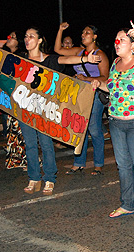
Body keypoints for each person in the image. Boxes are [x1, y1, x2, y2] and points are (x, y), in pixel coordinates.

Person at [91, 21, 134, 226]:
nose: (117, 42)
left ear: (133, 45)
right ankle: (127, 204)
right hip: (116, 121)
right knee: (123, 166)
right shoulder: (115, 64)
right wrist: (99, 84)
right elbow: (113, 87)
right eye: (116, 40)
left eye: (122, 40)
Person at [21, 27, 101, 195]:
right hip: (25, 108)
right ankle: (34, 177)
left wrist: (86, 58)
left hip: (44, 110)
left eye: (31, 36)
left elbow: (67, 60)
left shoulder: (49, 60)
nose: (27, 39)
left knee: (46, 144)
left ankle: (49, 178)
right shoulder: (19, 59)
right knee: (29, 145)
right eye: (26, 36)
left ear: (40, 40)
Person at [54, 22, 109, 176]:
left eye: (88, 32)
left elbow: (106, 77)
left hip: (94, 94)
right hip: (79, 95)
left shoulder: (100, 55)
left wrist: (86, 78)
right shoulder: (79, 52)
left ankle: (98, 164)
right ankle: (79, 162)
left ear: (95, 36)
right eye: (83, 32)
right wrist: (60, 30)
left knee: (94, 129)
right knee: (79, 128)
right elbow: (57, 50)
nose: (83, 35)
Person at [0, 31, 27, 169]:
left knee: (21, 130)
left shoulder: (23, 56)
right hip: (8, 98)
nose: (9, 38)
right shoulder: (3, 55)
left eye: (13, 37)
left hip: (21, 98)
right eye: (8, 36)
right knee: (12, 129)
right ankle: (16, 159)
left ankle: (28, 160)